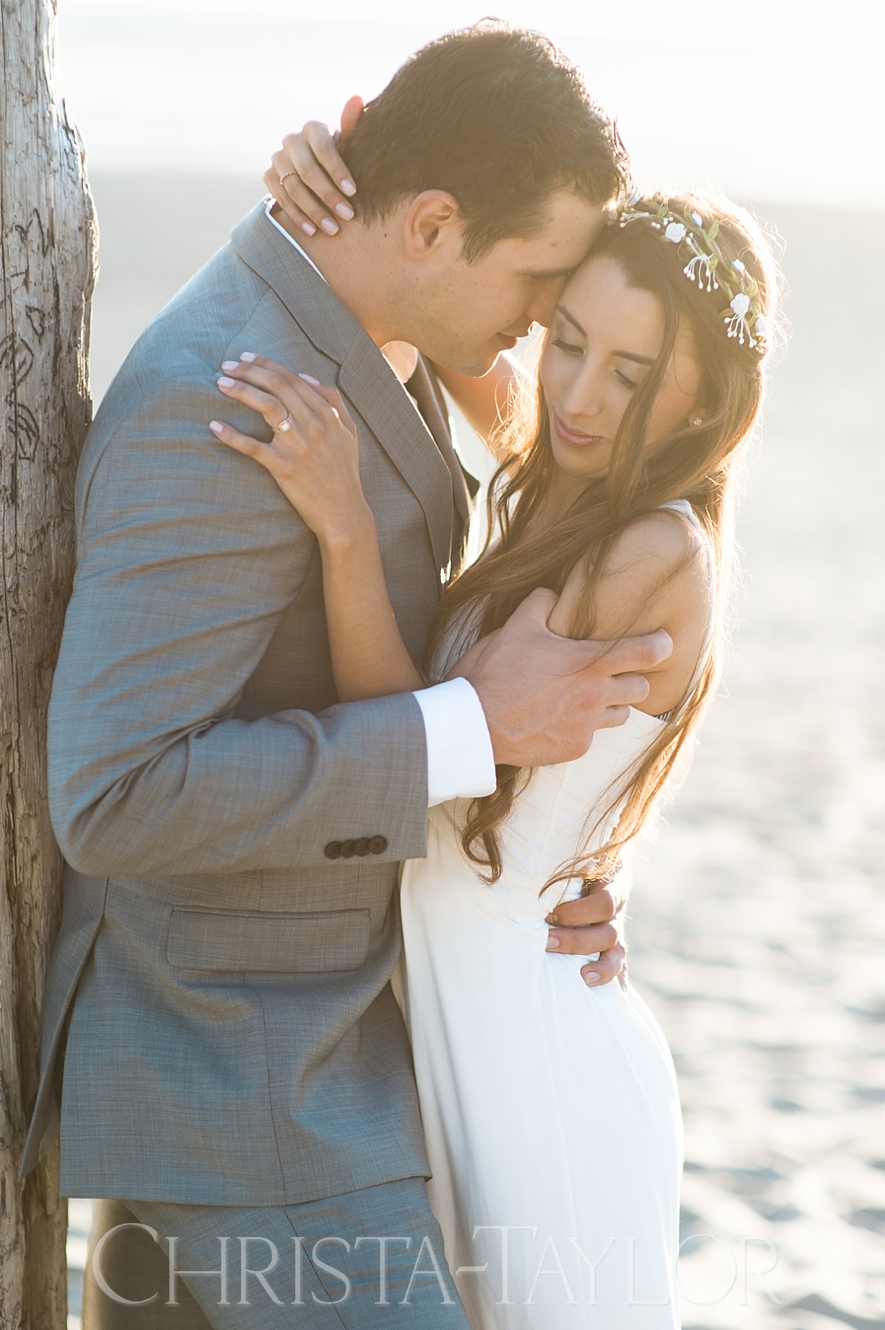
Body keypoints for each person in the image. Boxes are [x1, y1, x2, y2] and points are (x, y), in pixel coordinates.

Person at [20, 23, 672, 1330]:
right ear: (431, 224)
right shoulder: (221, 399)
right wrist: (468, 727)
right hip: (243, 1072)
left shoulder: (380, 318)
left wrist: (559, 851)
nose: (544, 314)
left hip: (345, 1048)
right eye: (539, 275)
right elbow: (113, 790)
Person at [210, 184, 779, 1327]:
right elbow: (438, 299)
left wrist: (345, 527)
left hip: (544, 1064)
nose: (575, 394)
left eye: (630, 374)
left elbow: (423, 750)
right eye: (568, 342)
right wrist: (333, 168)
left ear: (701, 402)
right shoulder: (572, 474)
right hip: (469, 1022)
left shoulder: (652, 546)